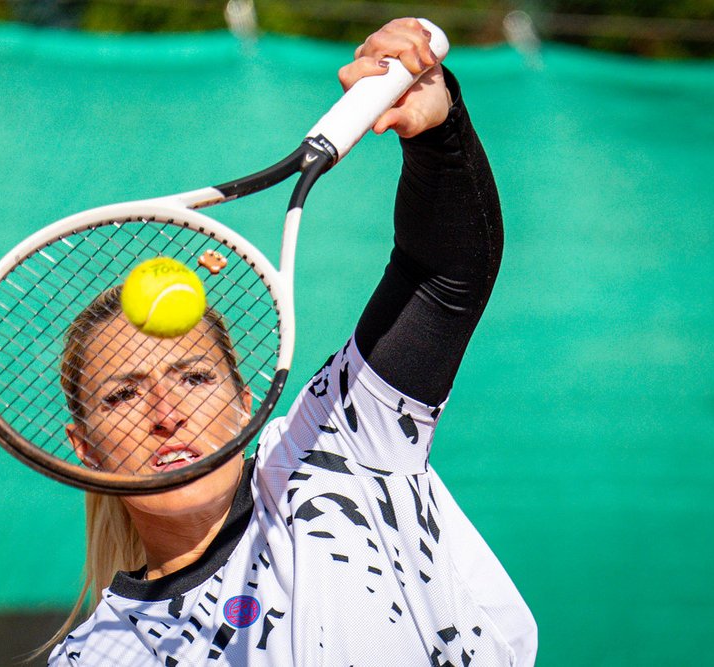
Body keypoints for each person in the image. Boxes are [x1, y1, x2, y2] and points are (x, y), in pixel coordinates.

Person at [45, 18, 537, 666]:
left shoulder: (328, 454)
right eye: (123, 396)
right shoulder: (93, 656)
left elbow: (442, 276)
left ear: (246, 405)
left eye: (194, 377)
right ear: (84, 449)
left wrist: (438, 136)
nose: (166, 413)